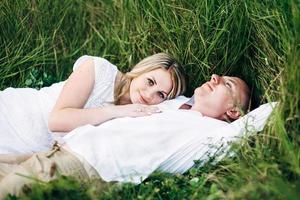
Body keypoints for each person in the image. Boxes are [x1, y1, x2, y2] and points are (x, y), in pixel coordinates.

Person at [0, 74, 250, 198]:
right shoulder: (178, 105)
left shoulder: (212, 131)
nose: (214, 78)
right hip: (57, 150)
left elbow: (262, 118)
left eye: (226, 85)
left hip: (82, 167)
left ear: (233, 112)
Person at [0, 53, 186, 154]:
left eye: (160, 94)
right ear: (140, 71)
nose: (149, 95)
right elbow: (56, 120)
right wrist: (118, 111)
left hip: (36, 154)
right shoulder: (99, 70)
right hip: (17, 116)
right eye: (150, 82)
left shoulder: (139, 115)